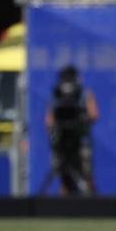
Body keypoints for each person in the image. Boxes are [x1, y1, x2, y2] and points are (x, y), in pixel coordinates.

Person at [45, 65, 99, 195]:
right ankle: (65, 209)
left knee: (85, 176)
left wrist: (80, 118)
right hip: (64, 142)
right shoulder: (56, 96)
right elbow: (49, 120)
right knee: (65, 179)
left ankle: (92, 205)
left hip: (79, 142)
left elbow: (94, 115)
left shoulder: (84, 94)